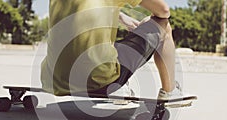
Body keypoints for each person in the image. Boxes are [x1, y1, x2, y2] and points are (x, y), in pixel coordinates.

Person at [41, 0, 192, 107]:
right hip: (98, 81)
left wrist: (120, 17)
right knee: (162, 24)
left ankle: (121, 87)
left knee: (101, 38)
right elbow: (164, 10)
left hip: (53, 79)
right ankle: (170, 91)